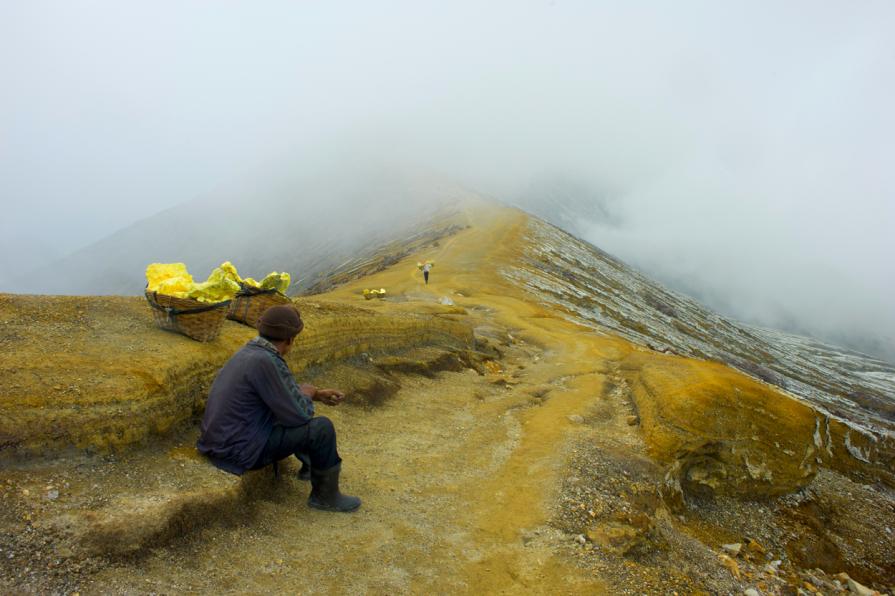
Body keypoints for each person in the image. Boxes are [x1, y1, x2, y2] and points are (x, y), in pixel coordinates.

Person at [197, 304, 361, 512]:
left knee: (286, 413)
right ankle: (325, 497)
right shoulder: (267, 361)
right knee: (320, 428)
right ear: (290, 340)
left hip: (220, 443)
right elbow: (300, 415)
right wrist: (309, 393)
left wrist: (316, 394)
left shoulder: (249, 353)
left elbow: (281, 397)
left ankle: (309, 468)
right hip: (238, 451)